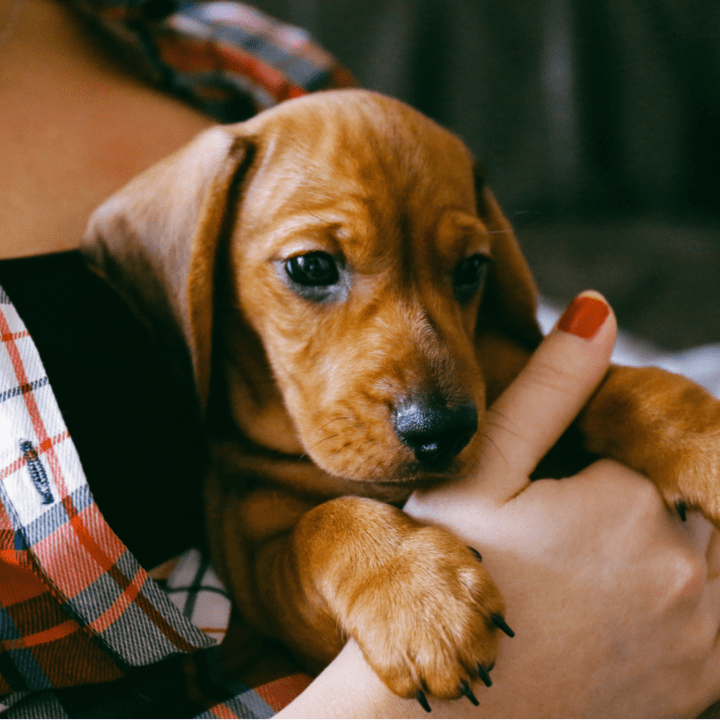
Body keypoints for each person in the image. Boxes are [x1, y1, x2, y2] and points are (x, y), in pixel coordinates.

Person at [2, 0, 720, 716]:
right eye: (314, 271)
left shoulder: (238, 61)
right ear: (177, 278)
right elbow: (278, 566)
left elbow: (530, 360)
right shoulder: (260, 481)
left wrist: (658, 410)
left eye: (463, 270)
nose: (427, 392)